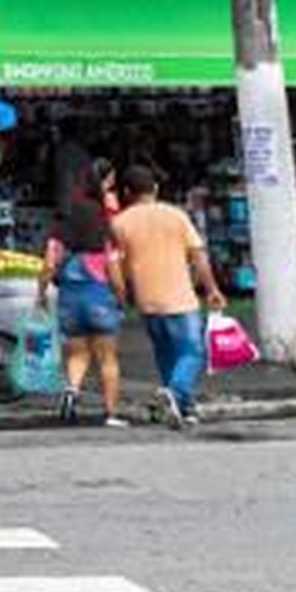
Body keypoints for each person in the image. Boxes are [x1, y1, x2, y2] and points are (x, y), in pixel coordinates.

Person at [108, 163, 226, 429]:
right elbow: (198, 256)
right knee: (192, 352)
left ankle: (184, 408)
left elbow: (117, 266)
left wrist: (122, 293)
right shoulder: (176, 216)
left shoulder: (119, 223)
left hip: (147, 300)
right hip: (180, 297)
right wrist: (212, 289)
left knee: (166, 355)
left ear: (126, 192)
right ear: (156, 188)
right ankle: (176, 392)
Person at [37, 175, 128, 426]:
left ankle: (71, 391)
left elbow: (48, 267)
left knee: (77, 354)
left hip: (69, 301)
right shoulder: (105, 235)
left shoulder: (59, 234)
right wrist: (122, 300)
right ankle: (111, 414)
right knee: (107, 359)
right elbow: (116, 278)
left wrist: (40, 295)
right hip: (99, 299)